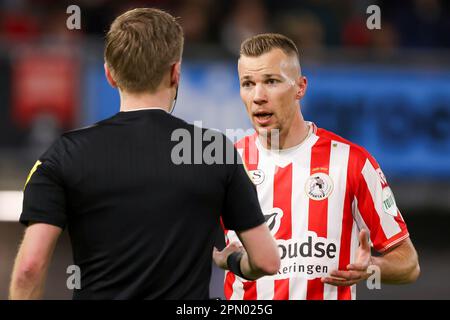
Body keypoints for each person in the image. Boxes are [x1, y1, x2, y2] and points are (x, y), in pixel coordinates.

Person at [9, 8, 280, 300]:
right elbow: (266, 260)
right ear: (176, 73)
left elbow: (29, 268)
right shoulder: (212, 150)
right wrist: (231, 261)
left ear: (110, 74)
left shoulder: (64, 153)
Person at [215, 33, 420, 300]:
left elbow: (409, 263)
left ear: (300, 87)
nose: (258, 96)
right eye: (248, 84)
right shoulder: (226, 164)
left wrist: (372, 267)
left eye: (271, 81)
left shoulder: (352, 162)